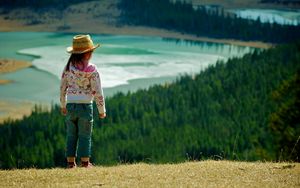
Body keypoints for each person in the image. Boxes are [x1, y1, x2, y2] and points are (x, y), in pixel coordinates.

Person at [60, 34, 106, 168]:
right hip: (85, 106)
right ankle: (85, 162)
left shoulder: (68, 68)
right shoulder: (92, 70)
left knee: (71, 135)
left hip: (70, 105)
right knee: (85, 135)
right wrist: (101, 110)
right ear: (88, 53)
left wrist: (63, 105)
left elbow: (62, 87)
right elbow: (98, 91)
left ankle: (70, 163)